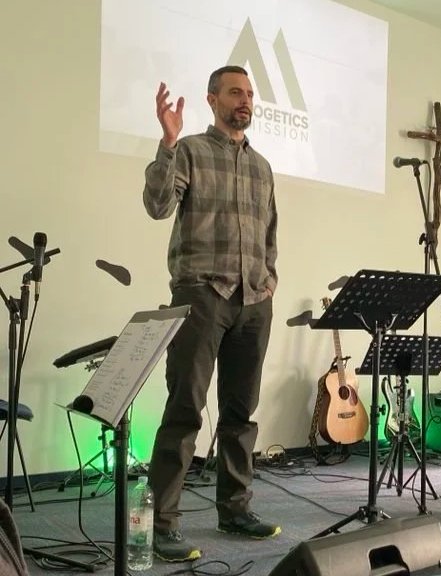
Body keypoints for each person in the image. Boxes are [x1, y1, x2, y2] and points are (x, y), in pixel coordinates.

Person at [143, 65, 279, 562]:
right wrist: (167, 142)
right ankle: (162, 523)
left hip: (254, 300)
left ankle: (235, 509)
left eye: (250, 94)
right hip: (201, 294)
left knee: (241, 413)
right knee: (185, 409)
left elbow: (269, 233)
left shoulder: (262, 166)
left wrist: (269, 280)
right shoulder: (190, 151)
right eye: (235, 92)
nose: (245, 101)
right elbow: (158, 206)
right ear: (212, 99)